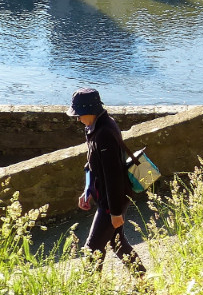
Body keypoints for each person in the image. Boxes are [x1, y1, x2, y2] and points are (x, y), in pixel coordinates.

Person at [69, 88, 146, 277]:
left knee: (92, 247)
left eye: (79, 114)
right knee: (117, 242)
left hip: (111, 202)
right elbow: (94, 164)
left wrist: (115, 212)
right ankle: (145, 282)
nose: (77, 119)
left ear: (91, 111)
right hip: (110, 199)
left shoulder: (104, 134)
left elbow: (112, 176)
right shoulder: (99, 125)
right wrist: (87, 190)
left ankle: (90, 288)